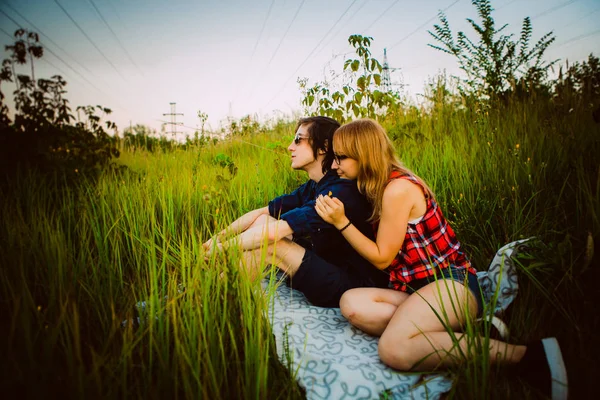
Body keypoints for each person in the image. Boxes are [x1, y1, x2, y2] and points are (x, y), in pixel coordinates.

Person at [314, 118, 568, 400]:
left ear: (365, 154)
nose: (335, 165)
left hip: (452, 283)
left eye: (341, 158)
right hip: (418, 290)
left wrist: (341, 223)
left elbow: (383, 258)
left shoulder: (397, 190)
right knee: (352, 304)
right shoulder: (375, 186)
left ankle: (530, 357)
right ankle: (474, 331)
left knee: (394, 349)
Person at [203, 116, 388, 307]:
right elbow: (262, 212)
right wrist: (216, 238)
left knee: (272, 244)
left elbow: (276, 233)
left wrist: (222, 249)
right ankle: (215, 285)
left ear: (324, 147)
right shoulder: (314, 186)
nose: (290, 147)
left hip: (350, 285)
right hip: (324, 265)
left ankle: (214, 301)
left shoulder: (339, 191)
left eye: (298, 140)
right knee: (263, 221)